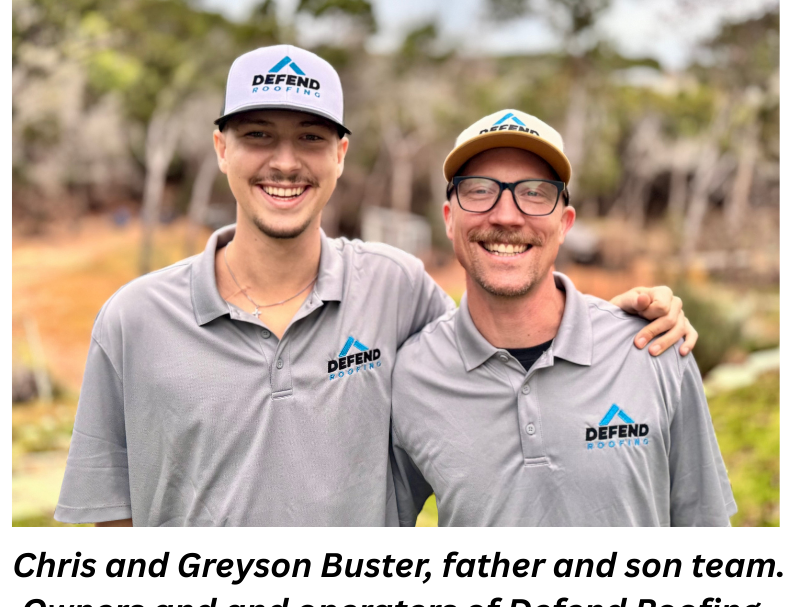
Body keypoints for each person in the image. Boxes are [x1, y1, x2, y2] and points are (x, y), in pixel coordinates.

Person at [55, 47, 696, 526]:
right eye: (257, 136)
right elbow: (111, 509)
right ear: (221, 148)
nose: (284, 161)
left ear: (340, 154)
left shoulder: (395, 289)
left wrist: (617, 326)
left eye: (310, 137)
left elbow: (501, 348)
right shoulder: (132, 320)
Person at [390, 109, 735, 527]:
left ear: (564, 223)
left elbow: (704, 517)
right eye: (479, 190)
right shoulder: (410, 377)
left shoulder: (655, 349)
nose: (506, 216)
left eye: (535, 193)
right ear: (449, 219)